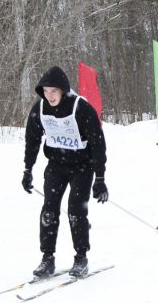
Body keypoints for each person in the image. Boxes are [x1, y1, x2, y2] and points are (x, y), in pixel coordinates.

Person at [22, 66, 108, 278]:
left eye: (54, 91)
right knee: (49, 210)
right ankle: (47, 259)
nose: (49, 96)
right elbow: (32, 140)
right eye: (46, 91)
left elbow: (98, 143)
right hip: (56, 165)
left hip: (82, 166)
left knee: (76, 211)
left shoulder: (80, 108)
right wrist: (27, 169)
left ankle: (81, 258)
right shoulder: (40, 109)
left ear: (63, 90)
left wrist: (100, 178)